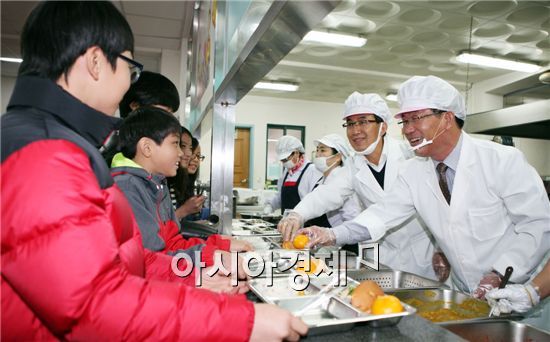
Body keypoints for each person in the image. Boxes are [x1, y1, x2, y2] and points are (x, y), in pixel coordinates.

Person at [1, 2, 307, 340]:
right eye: (129, 70)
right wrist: (241, 322)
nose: (128, 87)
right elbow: (92, 307)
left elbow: (126, 261)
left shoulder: (53, 142)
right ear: (95, 62)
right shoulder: (45, 153)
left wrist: (195, 274)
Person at [283, 75, 550, 298]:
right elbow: (381, 214)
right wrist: (329, 235)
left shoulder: (501, 161)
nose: (408, 129)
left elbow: (538, 226)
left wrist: (502, 273)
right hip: (465, 289)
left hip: (520, 289)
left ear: (446, 118)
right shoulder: (416, 170)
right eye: (405, 121)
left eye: (416, 119)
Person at [279, 93, 438, 280]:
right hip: (379, 253)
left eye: (363, 122)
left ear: (383, 126)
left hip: (419, 255)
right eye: (350, 123)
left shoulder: (412, 156)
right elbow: (328, 192)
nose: (355, 131)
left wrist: (442, 249)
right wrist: (298, 214)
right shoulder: (355, 165)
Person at [111, 107, 247, 270]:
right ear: (147, 148)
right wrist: (210, 256)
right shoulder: (126, 189)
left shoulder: (159, 184)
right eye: (175, 144)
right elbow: (150, 262)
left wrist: (220, 245)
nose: (181, 153)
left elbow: (173, 243)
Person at [264, 135, 322, 215]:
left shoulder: (312, 171)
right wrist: (270, 205)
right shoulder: (286, 172)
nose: (284, 162)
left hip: (305, 223)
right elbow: (281, 196)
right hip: (287, 223)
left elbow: (314, 203)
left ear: (297, 153)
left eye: (286, 159)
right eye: (282, 160)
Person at [169, 135, 206, 220]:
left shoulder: (187, 184)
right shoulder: (169, 183)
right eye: (193, 154)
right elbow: (166, 224)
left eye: (198, 156)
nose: (195, 160)